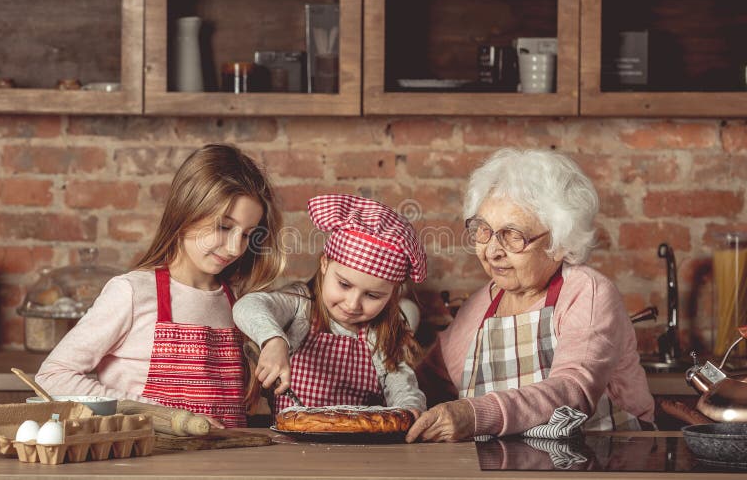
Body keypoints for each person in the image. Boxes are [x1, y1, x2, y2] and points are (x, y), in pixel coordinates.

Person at [407, 148, 654, 443]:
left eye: (513, 235)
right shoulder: (480, 306)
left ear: (559, 241)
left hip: (607, 459)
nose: (493, 250)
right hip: (509, 467)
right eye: (483, 230)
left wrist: (476, 415)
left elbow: (573, 392)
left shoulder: (586, 292)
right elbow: (427, 382)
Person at [36, 144, 285, 428]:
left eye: (247, 235)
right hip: (149, 466)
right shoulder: (132, 292)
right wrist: (160, 415)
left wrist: (275, 342)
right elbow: (53, 376)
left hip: (224, 468)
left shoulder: (238, 302)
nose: (234, 248)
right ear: (187, 210)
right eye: (224, 227)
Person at [233, 194, 427, 416]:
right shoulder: (301, 306)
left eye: (372, 296)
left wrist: (410, 411)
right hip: (291, 443)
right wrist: (273, 340)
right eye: (344, 285)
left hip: (362, 443)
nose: (353, 304)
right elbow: (246, 306)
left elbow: (404, 388)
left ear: (393, 294)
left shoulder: (382, 334)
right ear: (324, 264)